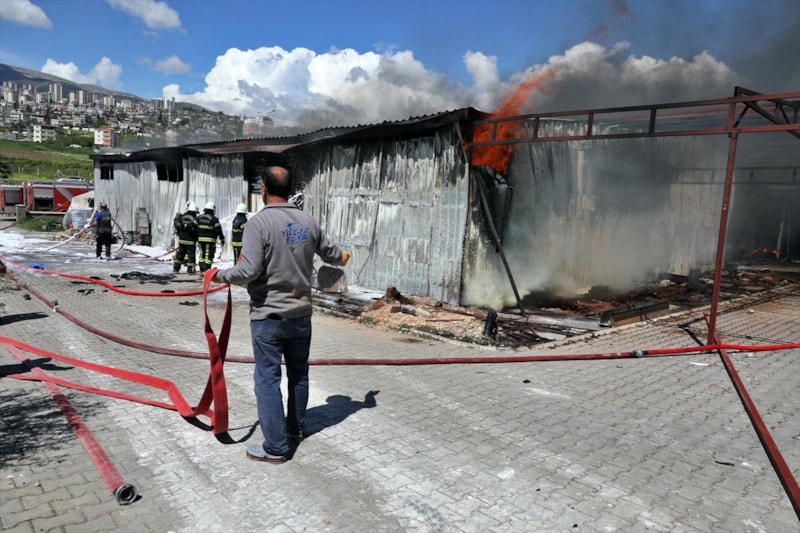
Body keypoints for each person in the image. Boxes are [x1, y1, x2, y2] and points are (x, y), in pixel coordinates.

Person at [212, 165, 349, 463]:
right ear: (290, 190)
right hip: (301, 315)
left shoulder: (258, 224)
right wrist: (342, 258)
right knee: (299, 375)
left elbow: (247, 271)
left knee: (267, 379)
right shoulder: (308, 221)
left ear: (263, 189)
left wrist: (218, 275)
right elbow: (334, 255)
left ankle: (275, 447)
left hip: (269, 317)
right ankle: (294, 430)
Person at [197, 201, 224, 273]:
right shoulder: (214, 219)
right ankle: (206, 270)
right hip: (210, 240)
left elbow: (195, 228)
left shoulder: (199, 217)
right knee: (208, 256)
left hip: (200, 239)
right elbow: (218, 230)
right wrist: (222, 238)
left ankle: (201, 270)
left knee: (202, 255)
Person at [173, 201, 199, 274]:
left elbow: (178, 227)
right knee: (191, 256)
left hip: (182, 240)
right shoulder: (194, 219)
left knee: (180, 255)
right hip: (190, 241)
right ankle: (190, 270)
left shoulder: (183, 216)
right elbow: (196, 229)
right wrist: (197, 238)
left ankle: (176, 269)